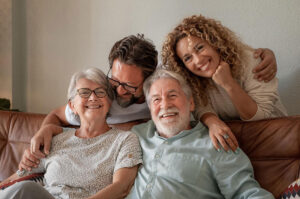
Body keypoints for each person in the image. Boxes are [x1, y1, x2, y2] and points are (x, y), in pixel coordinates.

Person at [21, 34, 277, 171]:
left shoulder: (161, 92)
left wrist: (265, 54)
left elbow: (197, 99)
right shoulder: (99, 95)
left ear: (147, 80)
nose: (119, 91)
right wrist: (45, 129)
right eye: (115, 80)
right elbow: (57, 115)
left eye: (129, 86)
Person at [107, 69, 278, 199]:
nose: (165, 105)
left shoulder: (215, 143)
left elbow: (249, 195)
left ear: (191, 103)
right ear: (150, 109)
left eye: (172, 95)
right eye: (156, 99)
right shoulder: (136, 135)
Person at [0, 68, 142, 199]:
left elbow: (121, 188)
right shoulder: (56, 138)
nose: (93, 97)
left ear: (109, 101)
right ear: (72, 105)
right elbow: (17, 178)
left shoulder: (125, 140)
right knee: (25, 189)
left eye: (100, 92)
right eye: (84, 93)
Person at [162, 15, 287, 152]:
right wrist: (212, 122)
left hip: (278, 139)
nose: (198, 60)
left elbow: (259, 117)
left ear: (214, 42)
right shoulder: (192, 80)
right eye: (188, 58)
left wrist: (228, 84)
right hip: (236, 146)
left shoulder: (250, 61)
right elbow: (202, 109)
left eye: (200, 48)